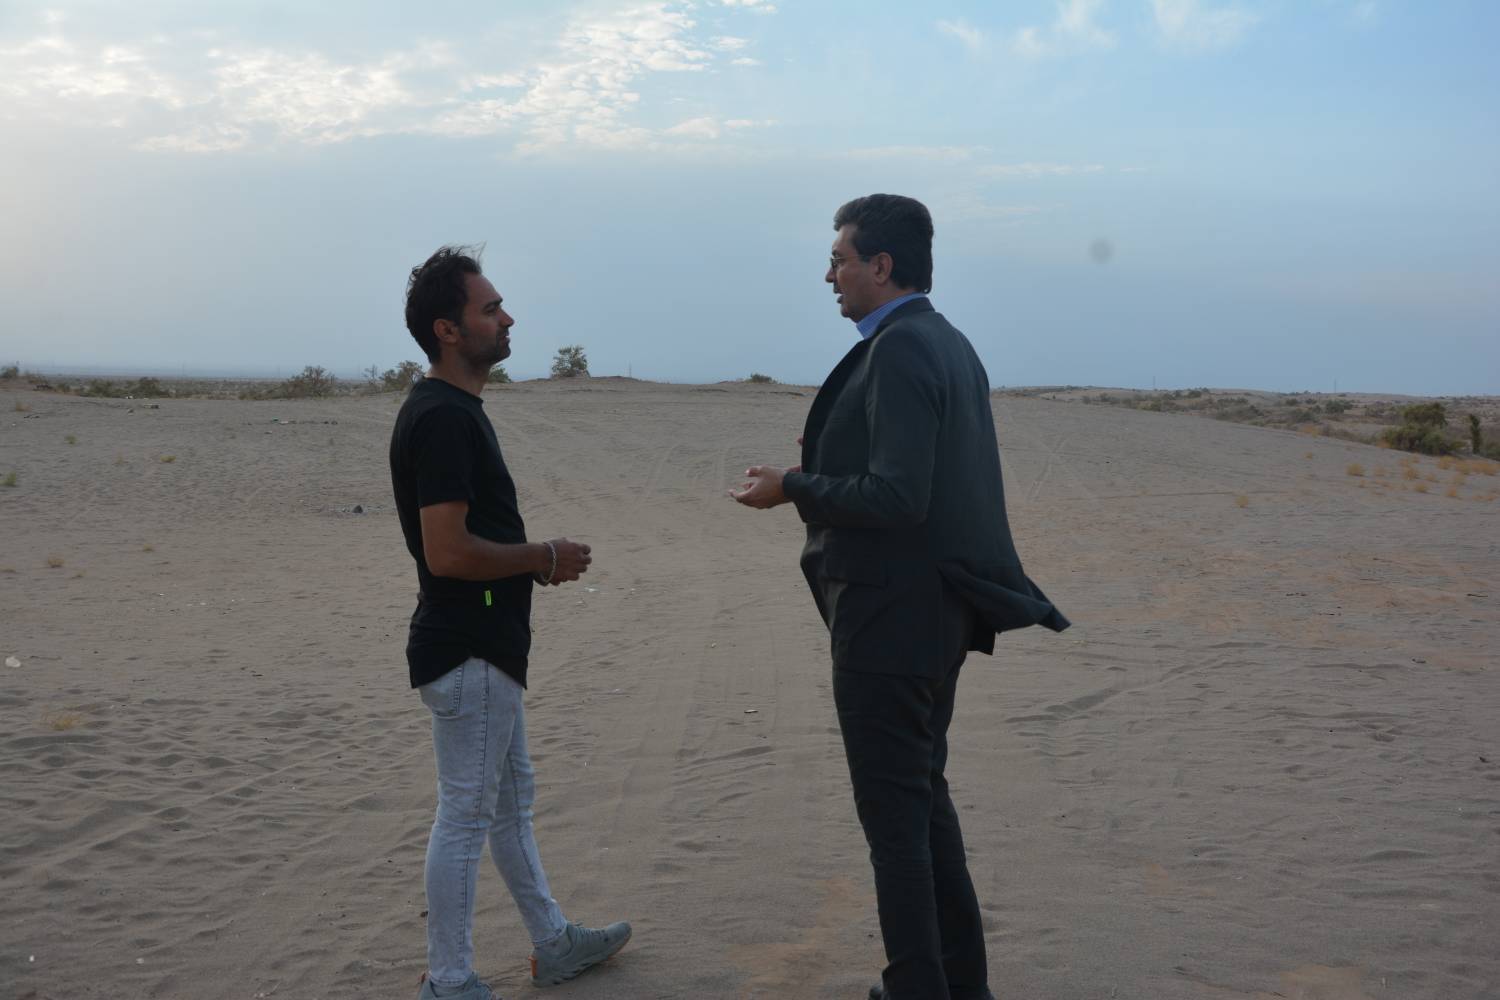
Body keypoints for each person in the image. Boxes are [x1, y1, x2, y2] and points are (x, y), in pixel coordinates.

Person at [730, 195, 1070, 1000]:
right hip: (929, 618)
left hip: (892, 623)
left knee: (896, 825)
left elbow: (898, 496)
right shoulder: (946, 342)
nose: (830, 276)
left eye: (840, 260)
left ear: (881, 266)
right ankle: (959, 984)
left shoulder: (905, 347)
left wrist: (794, 486)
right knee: (921, 806)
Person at [390, 247, 631, 1000]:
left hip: (485, 648)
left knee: (507, 803)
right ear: (447, 329)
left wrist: (533, 562)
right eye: (490, 309)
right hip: (467, 647)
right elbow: (448, 551)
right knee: (466, 813)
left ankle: (553, 942)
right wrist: (542, 556)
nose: (507, 318)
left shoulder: (454, 411)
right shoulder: (442, 418)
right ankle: (449, 980)